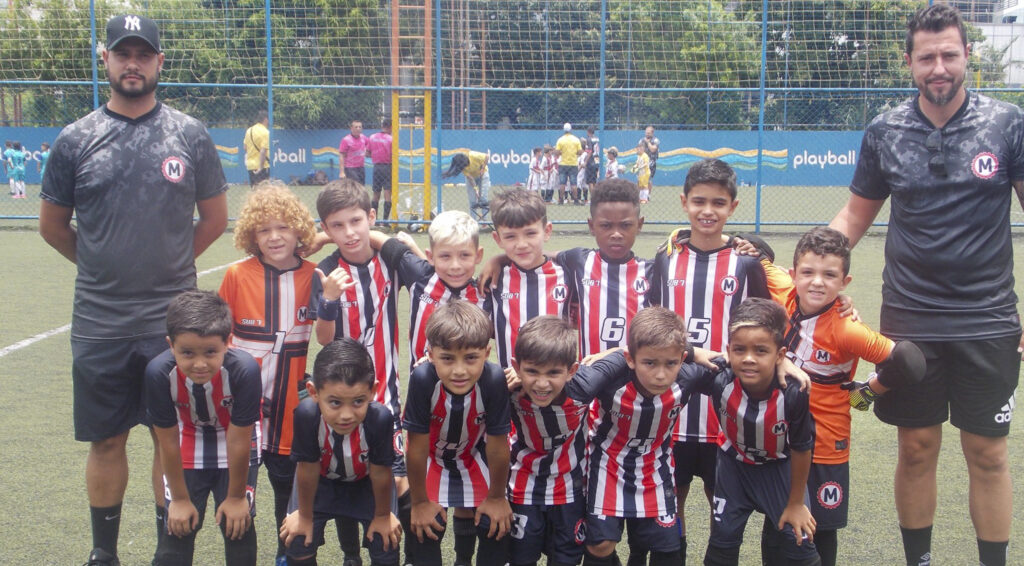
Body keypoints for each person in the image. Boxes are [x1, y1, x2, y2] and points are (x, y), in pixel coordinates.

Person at [828, 5, 1023, 566]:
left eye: (949, 55)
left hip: (988, 319)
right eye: (927, 57)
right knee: (915, 448)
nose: (939, 67)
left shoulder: (1007, 123)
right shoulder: (885, 130)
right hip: (910, 320)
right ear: (909, 61)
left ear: (967, 56)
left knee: (988, 454)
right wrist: (809, 270)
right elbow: (855, 215)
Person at [38, 14, 228, 566]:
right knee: (106, 439)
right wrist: (102, 266)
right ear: (106, 59)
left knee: (166, 435)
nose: (133, 64)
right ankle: (104, 553)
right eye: (123, 53)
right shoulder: (76, 139)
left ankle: (167, 548)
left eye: (143, 54)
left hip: (171, 321)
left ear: (159, 62)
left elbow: (215, 219)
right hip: (100, 319)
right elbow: (53, 226)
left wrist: (170, 266)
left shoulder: (189, 134)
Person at [758, 227, 926, 566]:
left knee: (820, 530)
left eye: (829, 275)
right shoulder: (784, 291)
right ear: (793, 273)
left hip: (825, 445)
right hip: (781, 438)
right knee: (778, 525)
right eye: (808, 272)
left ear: (844, 282)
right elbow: (756, 251)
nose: (817, 282)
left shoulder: (847, 328)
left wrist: (870, 391)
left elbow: (910, 361)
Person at [646, 158, 770, 566]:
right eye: (699, 201)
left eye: (718, 203)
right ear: (684, 202)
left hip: (725, 410)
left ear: (733, 207)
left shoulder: (746, 263)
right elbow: (651, 324)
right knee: (671, 500)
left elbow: (766, 324)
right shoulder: (666, 260)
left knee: (723, 503)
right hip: (672, 409)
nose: (707, 211)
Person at [217, 181, 318, 566]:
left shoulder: (315, 276)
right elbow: (218, 339)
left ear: (299, 230)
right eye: (263, 229)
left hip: (290, 410)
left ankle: (284, 556)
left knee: (285, 494)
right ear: (251, 235)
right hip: (242, 410)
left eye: (283, 227)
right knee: (240, 494)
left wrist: (322, 239)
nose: (274, 237)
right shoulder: (236, 275)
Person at [310, 178, 407, 566]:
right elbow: (323, 338)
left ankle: (387, 548)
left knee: (393, 479)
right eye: (337, 226)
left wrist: (388, 240)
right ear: (326, 229)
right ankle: (351, 554)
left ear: (370, 217)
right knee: (345, 472)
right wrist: (329, 300)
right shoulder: (326, 270)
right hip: (344, 399)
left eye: (356, 221)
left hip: (386, 396)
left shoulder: (389, 261)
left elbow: (425, 268)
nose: (349, 233)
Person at [146, 290, 261, 566]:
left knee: (237, 526)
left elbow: (239, 440)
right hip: (188, 437)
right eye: (187, 353)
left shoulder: (245, 370)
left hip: (235, 439)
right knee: (177, 531)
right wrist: (179, 499)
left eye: (210, 352)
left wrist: (236, 498)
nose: (199, 364)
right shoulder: (158, 373)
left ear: (228, 342)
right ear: (170, 345)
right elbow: (167, 442)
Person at [701, 298, 819, 566]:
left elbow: (802, 448)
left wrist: (796, 503)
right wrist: (695, 352)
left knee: (799, 542)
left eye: (761, 351)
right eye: (739, 350)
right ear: (728, 351)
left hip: (779, 469)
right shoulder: (718, 377)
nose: (749, 358)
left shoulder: (793, 392)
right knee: (722, 543)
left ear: (780, 355)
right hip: (734, 468)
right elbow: (669, 354)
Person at [403, 301, 513, 566]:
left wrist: (497, 497)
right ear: (431, 354)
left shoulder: (494, 379)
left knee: (495, 523)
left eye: (471, 358)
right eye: (447, 358)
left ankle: (464, 560)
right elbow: (416, 448)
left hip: (472, 455)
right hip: (432, 457)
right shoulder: (422, 379)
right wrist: (419, 502)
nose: (460, 370)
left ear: (486, 353)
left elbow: (498, 446)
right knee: (426, 525)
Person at [279, 338, 403, 566]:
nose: (346, 415)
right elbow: (307, 468)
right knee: (298, 538)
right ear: (313, 392)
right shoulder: (307, 415)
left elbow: (380, 473)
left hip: (367, 483)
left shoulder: (380, 419)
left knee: (385, 541)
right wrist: (304, 516)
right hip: (321, 481)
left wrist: (383, 516)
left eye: (358, 401)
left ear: (373, 391)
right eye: (335, 403)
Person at [505, 316, 589, 566]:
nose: (542, 384)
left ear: (572, 371)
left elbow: (628, 358)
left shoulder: (586, 386)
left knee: (566, 560)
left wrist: (605, 354)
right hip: (523, 487)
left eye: (553, 372)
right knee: (520, 559)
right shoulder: (504, 387)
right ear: (516, 367)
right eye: (532, 371)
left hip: (570, 490)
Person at [372, 209, 485, 370]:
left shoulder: (485, 294)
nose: (455, 266)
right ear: (431, 257)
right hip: (421, 382)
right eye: (445, 256)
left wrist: (498, 260)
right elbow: (381, 240)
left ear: (478, 255)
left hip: (469, 383)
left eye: (464, 255)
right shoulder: (420, 277)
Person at [484, 188, 570, 368]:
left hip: (553, 380)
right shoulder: (493, 279)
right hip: (507, 381)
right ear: (498, 239)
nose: (522, 244)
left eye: (530, 233)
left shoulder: (568, 276)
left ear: (547, 231)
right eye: (510, 236)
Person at [441, 150, 491, 223]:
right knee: (472, 201)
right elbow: (471, 179)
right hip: (472, 178)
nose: (465, 167)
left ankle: (485, 221)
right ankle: (473, 222)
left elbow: (487, 156)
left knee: (483, 199)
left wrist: (483, 168)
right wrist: (476, 190)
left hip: (483, 175)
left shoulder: (473, 155)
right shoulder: (462, 168)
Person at [368, 117, 394, 222]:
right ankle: (385, 221)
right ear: (391, 127)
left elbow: (368, 153)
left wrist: (376, 155)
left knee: (376, 194)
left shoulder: (372, 137)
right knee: (387, 194)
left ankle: (374, 220)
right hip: (387, 167)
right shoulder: (391, 139)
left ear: (382, 126)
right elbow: (393, 154)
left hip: (377, 167)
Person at [555, 123, 582, 205]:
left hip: (563, 163)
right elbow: (580, 152)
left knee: (562, 183)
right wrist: (574, 153)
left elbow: (557, 152)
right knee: (573, 183)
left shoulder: (560, 140)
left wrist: (562, 152)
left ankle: (561, 199)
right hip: (573, 164)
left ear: (564, 130)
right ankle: (576, 200)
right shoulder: (576, 139)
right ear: (571, 130)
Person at [244, 110, 270, 186]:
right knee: (264, 190)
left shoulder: (249, 130)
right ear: (266, 119)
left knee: (254, 190)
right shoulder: (265, 132)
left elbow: (245, 147)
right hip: (263, 166)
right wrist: (260, 167)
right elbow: (263, 151)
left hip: (251, 165)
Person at [581, 125, 600, 203]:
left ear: (588, 131)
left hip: (591, 162)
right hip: (596, 160)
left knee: (590, 182)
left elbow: (590, 151)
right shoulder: (597, 139)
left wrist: (585, 161)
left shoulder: (589, 139)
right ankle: (595, 197)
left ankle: (593, 199)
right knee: (594, 181)